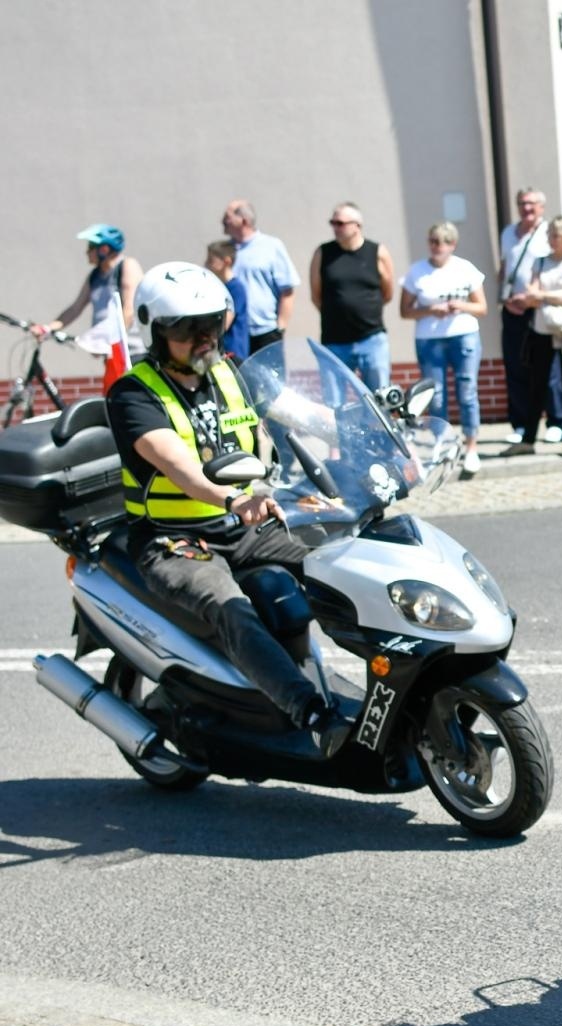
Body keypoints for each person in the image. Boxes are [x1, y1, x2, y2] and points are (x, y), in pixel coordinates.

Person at [105, 262, 349, 756]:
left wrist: (375, 432)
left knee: (339, 562)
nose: (203, 338)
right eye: (186, 329)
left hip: (246, 523)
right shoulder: (134, 393)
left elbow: (305, 415)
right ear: (156, 333)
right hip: (174, 538)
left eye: (212, 324)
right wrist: (236, 499)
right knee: (229, 606)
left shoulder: (231, 371)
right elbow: (177, 466)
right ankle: (310, 713)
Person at [399, 222, 488, 474]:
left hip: (463, 335)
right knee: (436, 395)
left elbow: (481, 307)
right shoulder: (417, 271)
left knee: (467, 391)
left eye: (444, 242)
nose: (438, 247)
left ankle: (471, 446)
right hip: (430, 338)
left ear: (453, 245)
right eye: (434, 241)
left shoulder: (465, 268)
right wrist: (429, 310)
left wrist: (460, 306)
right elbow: (405, 311)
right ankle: (444, 443)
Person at [513, 215, 562, 460]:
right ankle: (528, 439)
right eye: (549, 235)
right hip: (542, 330)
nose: (551, 240)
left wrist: (543, 295)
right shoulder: (541, 261)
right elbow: (530, 295)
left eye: (555, 235)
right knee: (538, 383)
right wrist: (553, 295)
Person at [499, 188, 562, 446]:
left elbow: (554, 267)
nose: (526, 208)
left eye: (531, 204)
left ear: (541, 206)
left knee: (548, 368)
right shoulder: (508, 233)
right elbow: (504, 268)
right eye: (521, 204)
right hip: (512, 308)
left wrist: (530, 298)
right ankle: (521, 423)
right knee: (515, 366)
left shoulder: (547, 233)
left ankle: (555, 421)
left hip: (538, 309)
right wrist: (504, 298)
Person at [309, 202, 394, 390]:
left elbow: (387, 293)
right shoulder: (323, 253)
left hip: (372, 339)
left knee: (379, 398)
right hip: (334, 341)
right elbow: (316, 295)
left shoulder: (377, 252)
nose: (335, 228)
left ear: (357, 226)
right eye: (333, 223)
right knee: (334, 403)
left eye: (340, 223)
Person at [32, 224, 146, 360]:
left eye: (90, 247)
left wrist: (112, 341)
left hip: (132, 352)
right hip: (111, 353)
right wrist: (48, 328)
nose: (87, 252)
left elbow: (129, 309)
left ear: (104, 249)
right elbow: (75, 309)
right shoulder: (94, 276)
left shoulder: (127, 266)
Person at [221, 200, 298, 353]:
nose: (223, 221)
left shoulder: (271, 246)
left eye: (227, 217)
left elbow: (287, 290)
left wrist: (280, 327)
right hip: (236, 332)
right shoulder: (224, 250)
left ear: (243, 220)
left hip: (266, 332)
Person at [203, 241, 251, 362]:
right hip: (220, 351)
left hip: (232, 354)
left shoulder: (235, 289)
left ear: (226, 261)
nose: (206, 264)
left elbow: (224, 324)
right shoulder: (219, 287)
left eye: (210, 260)